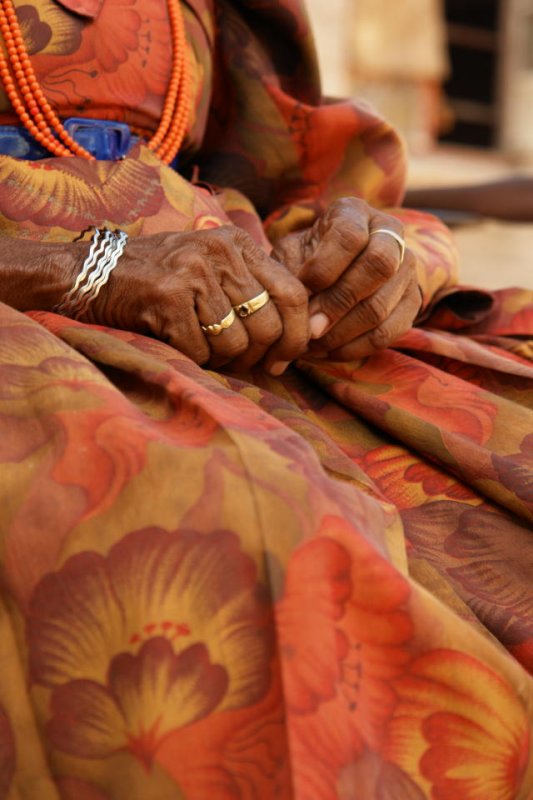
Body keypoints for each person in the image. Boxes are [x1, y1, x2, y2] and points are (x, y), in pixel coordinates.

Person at [0, 0, 532, 798]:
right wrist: (89, 269)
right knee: (240, 538)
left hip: (226, 286)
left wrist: (369, 254)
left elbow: (302, 175)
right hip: (28, 303)